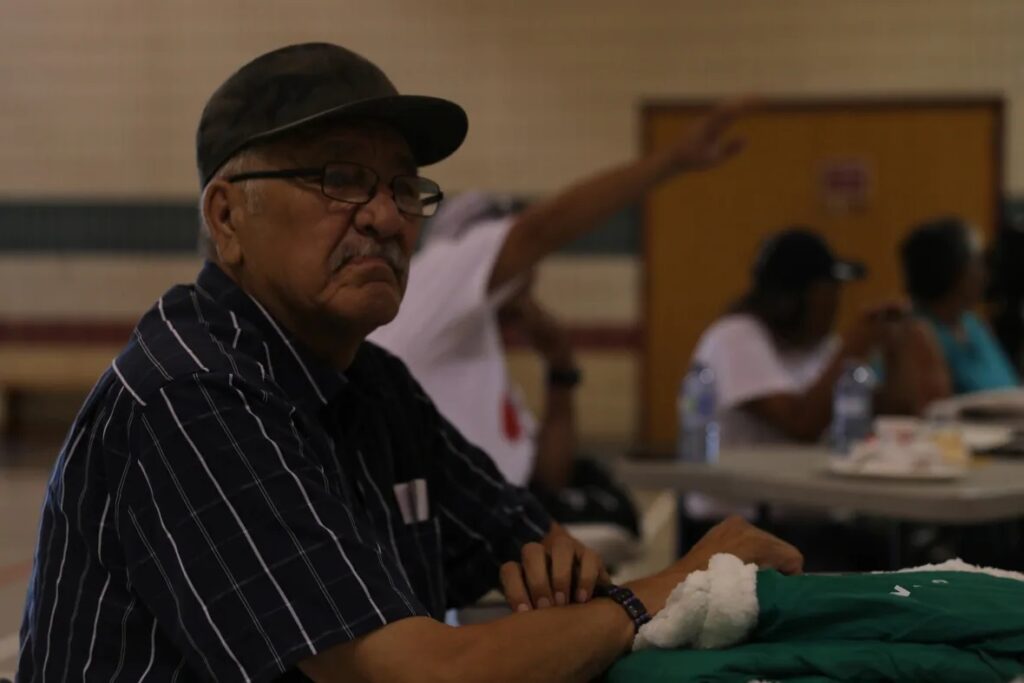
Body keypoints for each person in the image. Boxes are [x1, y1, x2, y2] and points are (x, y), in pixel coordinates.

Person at [17, 43, 802, 683]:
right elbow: (415, 676)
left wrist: (556, 560)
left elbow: (530, 540)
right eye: (340, 179)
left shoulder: (370, 380)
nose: (388, 216)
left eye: (403, 186)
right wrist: (662, 589)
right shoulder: (192, 394)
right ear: (227, 216)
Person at [694, 228, 935, 450]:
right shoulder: (733, 338)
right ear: (791, 299)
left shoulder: (823, 347)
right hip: (747, 495)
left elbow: (896, 417)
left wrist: (895, 349)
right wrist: (852, 347)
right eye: (828, 294)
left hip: (806, 494)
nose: (835, 306)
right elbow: (801, 424)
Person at [901, 216, 1019, 394]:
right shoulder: (915, 333)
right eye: (979, 261)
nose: (986, 272)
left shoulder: (973, 326)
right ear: (952, 269)